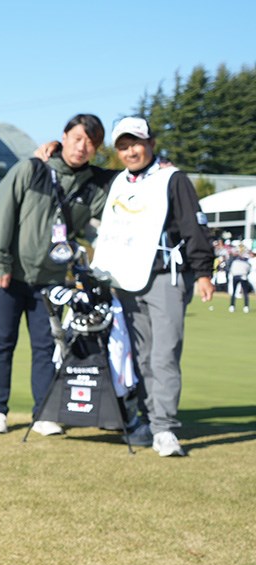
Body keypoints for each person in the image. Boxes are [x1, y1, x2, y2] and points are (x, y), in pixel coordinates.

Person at [88, 117, 214, 457]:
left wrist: (203, 271)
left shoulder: (172, 179)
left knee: (164, 355)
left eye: (136, 143)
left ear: (151, 143)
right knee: (141, 357)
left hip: (165, 277)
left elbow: (194, 225)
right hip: (127, 281)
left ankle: (165, 428)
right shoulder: (119, 182)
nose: (131, 151)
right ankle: (149, 420)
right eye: (124, 146)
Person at [0, 113, 114, 437]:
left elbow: (120, 196)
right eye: (78, 138)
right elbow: (2, 213)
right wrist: (0, 263)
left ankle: (43, 412)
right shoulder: (32, 168)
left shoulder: (94, 185)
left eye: (91, 143)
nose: (83, 147)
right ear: (64, 137)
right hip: (10, 276)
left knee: (46, 347)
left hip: (51, 279)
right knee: (3, 344)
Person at [227, 248, 251, 313]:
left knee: (242, 292)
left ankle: (233, 306)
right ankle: (243, 306)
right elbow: (248, 270)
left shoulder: (236, 261)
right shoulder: (241, 261)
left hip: (240, 276)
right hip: (241, 276)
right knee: (242, 292)